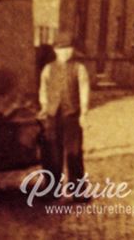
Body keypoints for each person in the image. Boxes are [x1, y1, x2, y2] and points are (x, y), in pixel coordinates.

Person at [38, 31, 90, 197]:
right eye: (61, 49)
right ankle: (51, 189)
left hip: (71, 115)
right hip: (52, 115)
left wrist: (83, 112)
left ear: (73, 50)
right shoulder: (48, 69)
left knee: (74, 153)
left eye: (68, 48)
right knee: (52, 153)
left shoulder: (79, 68)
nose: (65, 52)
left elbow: (84, 90)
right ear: (55, 50)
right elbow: (43, 89)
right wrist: (44, 106)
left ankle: (78, 191)